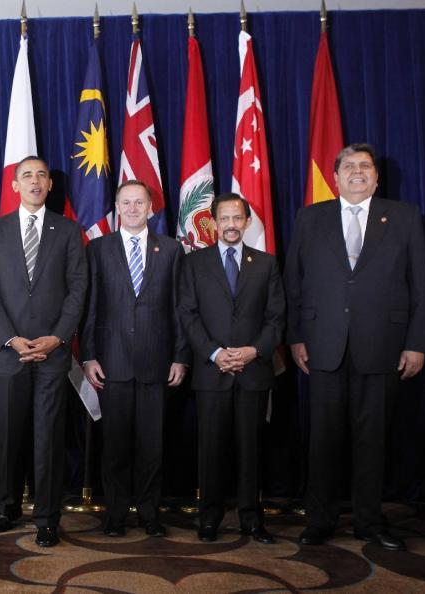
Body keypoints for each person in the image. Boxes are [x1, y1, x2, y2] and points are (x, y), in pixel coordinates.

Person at [285, 143, 425, 551]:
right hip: (323, 346)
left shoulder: (403, 217)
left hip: (382, 346)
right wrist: (297, 336)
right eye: (348, 166)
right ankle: (320, 520)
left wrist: (417, 342)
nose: (356, 172)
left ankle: (370, 522)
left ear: (376, 176)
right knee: (323, 440)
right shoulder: (310, 217)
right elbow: (294, 283)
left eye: (364, 166)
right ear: (334, 178)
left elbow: (420, 283)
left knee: (373, 440)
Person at [0, 156, 87, 547]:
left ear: (50, 185)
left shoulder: (69, 232)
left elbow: (78, 290)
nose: (35, 181)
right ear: (14, 185)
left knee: (48, 439)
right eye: (28, 176)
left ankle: (46, 517)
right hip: (9, 354)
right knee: (8, 438)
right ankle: (7, 507)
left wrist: (57, 337)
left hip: (52, 355)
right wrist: (10, 338)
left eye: (42, 175)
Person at [81, 180, 189, 538]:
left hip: (156, 364)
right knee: (114, 445)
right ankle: (115, 514)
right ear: (116, 206)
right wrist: (89, 355)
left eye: (138, 202)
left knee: (151, 446)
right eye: (125, 202)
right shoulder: (98, 249)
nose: (131, 208)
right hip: (111, 364)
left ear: (150, 207)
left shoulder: (171, 250)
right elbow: (91, 307)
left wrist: (179, 357)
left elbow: (179, 308)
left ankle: (148, 513)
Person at [178, 192, 284, 544]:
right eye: (224, 219)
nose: (231, 225)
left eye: (237, 218)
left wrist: (254, 351)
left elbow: (276, 317)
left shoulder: (266, 264)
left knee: (251, 450)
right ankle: (209, 518)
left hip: (253, 372)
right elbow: (188, 315)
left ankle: (252, 520)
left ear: (247, 222)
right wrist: (214, 353)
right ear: (214, 223)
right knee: (210, 451)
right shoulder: (194, 264)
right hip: (212, 373)